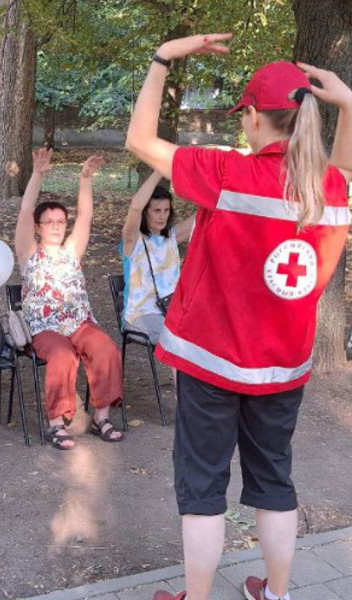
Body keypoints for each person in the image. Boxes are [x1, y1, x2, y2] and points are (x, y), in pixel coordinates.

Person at [125, 33, 351, 600]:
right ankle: (276, 593)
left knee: (203, 487)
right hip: (282, 369)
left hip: (211, 363)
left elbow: (139, 139)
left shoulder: (227, 173)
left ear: (252, 116)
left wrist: (164, 59)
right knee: (274, 481)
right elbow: (340, 165)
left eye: (244, 114)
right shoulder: (329, 189)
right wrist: (349, 105)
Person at [15, 148, 124, 450]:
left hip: (79, 323)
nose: (55, 227)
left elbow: (86, 216)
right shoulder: (28, 254)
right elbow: (25, 211)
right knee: (63, 356)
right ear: (38, 227)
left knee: (106, 349)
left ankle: (102, 417)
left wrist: (85, 179)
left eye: (60, 221)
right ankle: (56, 424)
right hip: (45, 328)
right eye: (48, 222)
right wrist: (37, 173)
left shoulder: (72, 251)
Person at [121, 170, 195, 344]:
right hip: (139, 316)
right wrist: (159, 169)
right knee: (178, 337)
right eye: (156, 211)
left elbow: (204, 213)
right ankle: (181, 371)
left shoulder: (171, 238)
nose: (162, 216)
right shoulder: (133, 241)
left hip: (172, 312)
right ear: (145, 213)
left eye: (166, 210)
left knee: (206, 332)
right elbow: (135, 207)